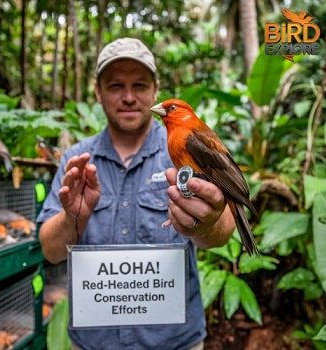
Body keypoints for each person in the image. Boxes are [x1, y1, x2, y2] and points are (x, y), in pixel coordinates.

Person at [37, 37, 235, 350]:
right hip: (94, 342)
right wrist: (75, 216)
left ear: (155, 90)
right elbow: (50, 250)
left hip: (174, 342)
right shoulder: (76, 160)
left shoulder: (184, 143)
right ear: (98, 93)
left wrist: (206, 222)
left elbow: (222, 229)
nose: (129, 97)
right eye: (115, 86)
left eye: (140, 85)